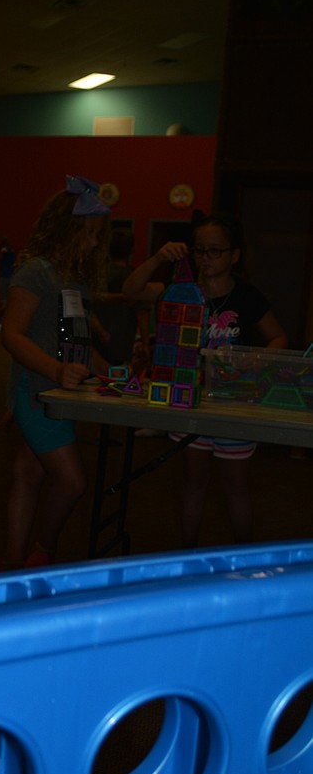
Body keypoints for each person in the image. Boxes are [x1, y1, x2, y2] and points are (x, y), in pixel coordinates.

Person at [123, 212, 287, 547]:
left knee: (235, 485)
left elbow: (278, 338)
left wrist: (251, 360)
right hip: (190, 398)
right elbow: (131, 290)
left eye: (216, 251)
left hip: (233, 403)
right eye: (200, 251)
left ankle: (244, 556)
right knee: (193, 481)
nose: (206, 258)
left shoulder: (247, 297)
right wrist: (157, 257)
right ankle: (187, 554)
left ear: (234, 255)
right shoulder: (180, 289)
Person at [0, 175, 110, 569]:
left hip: (59, 394)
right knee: (72, 482)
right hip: (37, 392)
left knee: (28, 471)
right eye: (92, 234)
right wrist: (56, 370)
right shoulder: (36, 272)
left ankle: (12, 564)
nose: (96, 243)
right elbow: (11, 336)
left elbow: (80, 342)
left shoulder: (74, 279)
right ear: (70, 230)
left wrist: (113, 374)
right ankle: (41, 553)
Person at [92, 226, 150, 371]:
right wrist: (146, 344)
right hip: (121, 345)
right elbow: (142, 314)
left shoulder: (96, 275)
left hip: (94, 345)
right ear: (131, 251)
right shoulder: (135, 280)